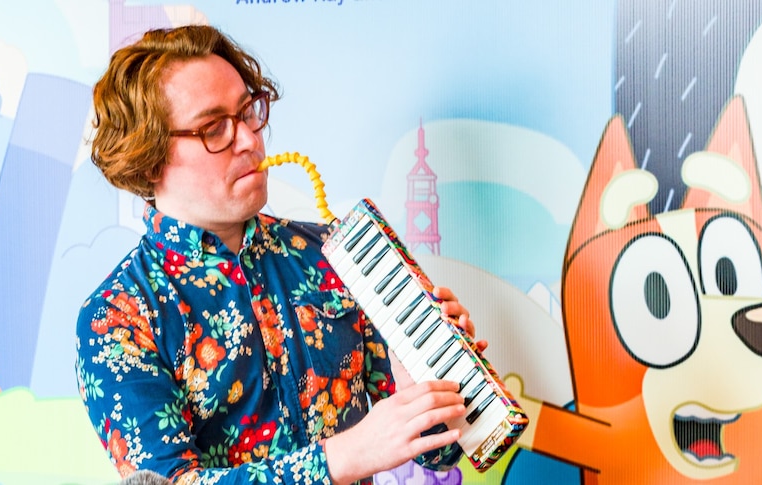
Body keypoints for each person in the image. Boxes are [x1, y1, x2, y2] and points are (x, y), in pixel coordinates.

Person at [76, 25, 485, 485]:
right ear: (148, 159)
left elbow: (439, 452)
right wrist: (345, 455)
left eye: (249, 112)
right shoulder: (116, 317)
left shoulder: (339, 254)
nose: (250, 140)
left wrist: (426, 386)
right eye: (214, 128)